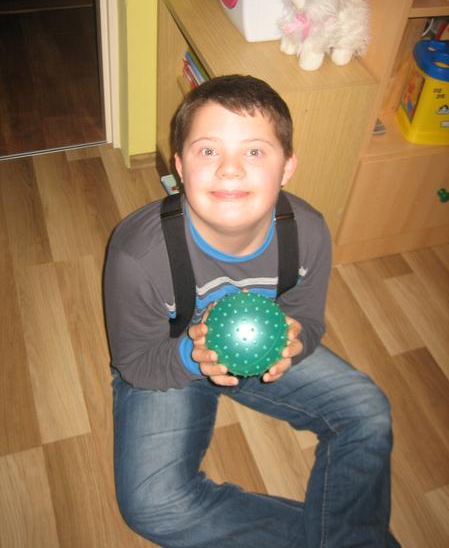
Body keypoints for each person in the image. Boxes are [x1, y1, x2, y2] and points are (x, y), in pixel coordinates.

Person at [103, 75, 399, 547]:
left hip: (260, 351)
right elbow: (135, 362)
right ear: (179, 166)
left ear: (287, 167)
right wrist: (191, 357)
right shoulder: (137, 255)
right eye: (208, 151)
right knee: (153, 505)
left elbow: (308, 320)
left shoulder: (308, 232)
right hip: (170, 359)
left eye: (255, 152)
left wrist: (292, 346)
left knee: (367, 412)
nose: (230, 170)